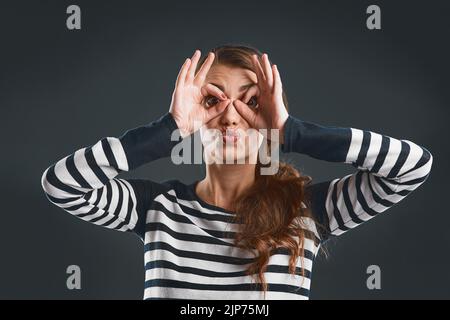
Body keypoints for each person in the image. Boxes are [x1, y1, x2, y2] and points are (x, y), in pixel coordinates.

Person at [41, 44, 433, 300]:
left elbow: (412, 166)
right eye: (211, 101)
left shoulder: (310, 210)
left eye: (250, 102)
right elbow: (62, 185)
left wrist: (291, 131)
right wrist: (168, 130)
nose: (230, 116)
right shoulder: (155, 207)